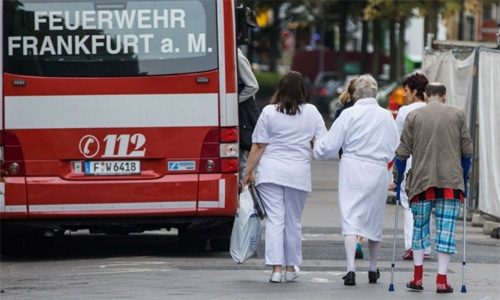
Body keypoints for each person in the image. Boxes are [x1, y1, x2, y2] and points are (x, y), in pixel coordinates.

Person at [313, 74, 399, 286]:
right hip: (377, 169)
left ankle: (351, 268)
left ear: (355, 94)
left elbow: (330, 145)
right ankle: (372, 267)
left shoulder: (348, 114)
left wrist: (317, 146)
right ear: (375, 93)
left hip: (352, 167)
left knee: (351, 218)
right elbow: (394, 147)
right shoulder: (386, 116)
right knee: (374, 219)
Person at [243, 71, 327, 283]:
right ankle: (291, 267)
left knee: (275, 221)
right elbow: (322, 143)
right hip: (298, 174)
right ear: (302, 90)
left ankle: (276, 270)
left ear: (280, 88)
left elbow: (259, 145)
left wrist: (247, 172)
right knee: (293, 221)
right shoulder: (312, 112)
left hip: (271, 172)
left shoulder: (269, 112)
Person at [395, 82, 473, 293]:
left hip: (421, 182)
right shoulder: (457, 114)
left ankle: (417, 278)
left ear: (426, 96)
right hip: (451, 184)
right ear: (445, 97)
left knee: (419, 229)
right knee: (446, 231)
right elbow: (467, 151)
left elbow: (402, 153)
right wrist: (464, 178)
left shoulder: (414, 116)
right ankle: (441, 280)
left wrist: (397, 178)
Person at [389, 73, 432, 260]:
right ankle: (427, 247)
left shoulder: (405, 112)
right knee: (428, 203)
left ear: (415, 91)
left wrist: (394, 176)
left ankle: (412, 245)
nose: (404, 95)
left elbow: (399, 144)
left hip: (411, 163)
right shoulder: (434, 110)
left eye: (406, 91)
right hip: (432, 163)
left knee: (408, 204)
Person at [333, 78, 364, 260]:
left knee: (350, 206)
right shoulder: (371, 112)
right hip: (368, 163)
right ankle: (359, 239)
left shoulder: (341, 112)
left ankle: (352, 241)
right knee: (364, 205)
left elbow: (337, 140)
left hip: (347, 162)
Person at [237, 36, 260, 184]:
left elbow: (252, 85)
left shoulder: (237, 57)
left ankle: (245, 197)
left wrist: (233, 101)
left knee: (242, 161)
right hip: (242, 113)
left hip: (243, 114)